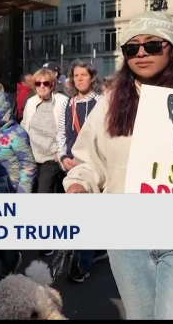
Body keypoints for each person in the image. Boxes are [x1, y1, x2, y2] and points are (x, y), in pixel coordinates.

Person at [63, 10, 173, 320]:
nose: (141, 53)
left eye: (152, 45)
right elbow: (90, 160)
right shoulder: (112, 100)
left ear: (171, 48)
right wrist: (79, 183)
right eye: (132, 48)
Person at [0, 91, 37, 279]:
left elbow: (28, 165)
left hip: (11, 193)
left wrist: (23, 194)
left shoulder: (18, 134)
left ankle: (10, 268)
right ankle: (7, 259)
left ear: (2, 113)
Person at [55, 61, 105, 283]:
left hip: (95, 165)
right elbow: (62, 133)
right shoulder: (70, 103)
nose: (79, 79)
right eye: (76, 75)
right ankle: (91, 252)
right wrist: (63, 156)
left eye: (83, 75)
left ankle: (83, 262)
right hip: (73, 166)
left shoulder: (101, 102)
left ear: (92, 77)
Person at [21, 68, 69, 195]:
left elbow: (67, 129)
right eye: (38, 83)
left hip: (52, 157)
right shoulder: (31, 102)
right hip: (32, 157)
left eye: (46, 83)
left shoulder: (62, 101)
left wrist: (61, 154)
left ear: (52, 84)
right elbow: (25, 126)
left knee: (44, 191)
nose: (42, 86)